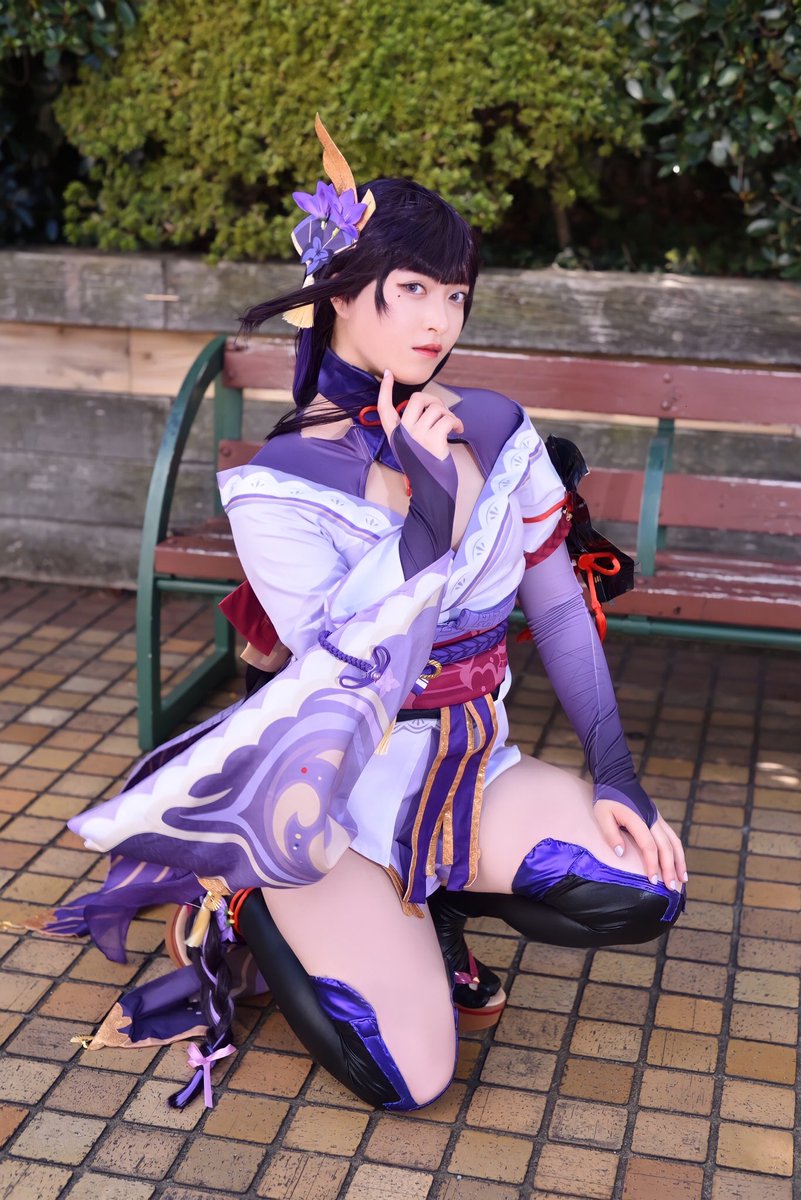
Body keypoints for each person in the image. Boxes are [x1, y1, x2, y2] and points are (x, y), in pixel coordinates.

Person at [44, 118, 687, 1113]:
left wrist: (618, 774)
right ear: (341, 292)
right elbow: (349, 665)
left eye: (455, 294)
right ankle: (247, 903)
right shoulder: (278, 484)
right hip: (328, 802)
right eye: (413, 289)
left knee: (643, 882)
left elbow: (559, 603)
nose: (440, 320)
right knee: (412, 1082)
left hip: (468, 766)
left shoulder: (493, 426)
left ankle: (434, 907)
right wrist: (431, 510)